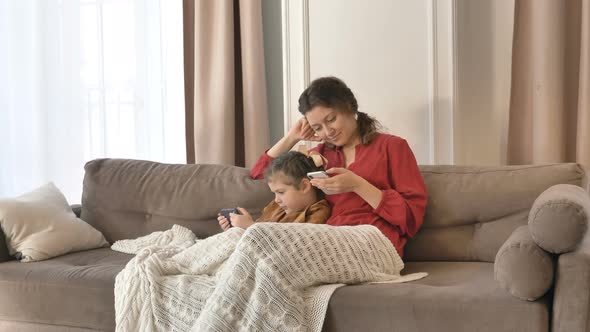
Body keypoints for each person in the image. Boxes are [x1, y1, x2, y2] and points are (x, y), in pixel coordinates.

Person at [250, 76, 427, 257]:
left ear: (350, 107)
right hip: (329, 240)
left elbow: (411, 218)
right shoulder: (320, 155)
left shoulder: (392, 147)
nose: (327, 132)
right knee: (241, 239)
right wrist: (292, 137)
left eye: (331, 119)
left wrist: (357, 185)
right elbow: (259, 175)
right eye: (317, 128)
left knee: (270, 254)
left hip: (376, 243)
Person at [218, 151, 331, 230]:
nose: (277, 200)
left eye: (281, 192)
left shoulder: (318, 213)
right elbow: (257, 235)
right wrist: (237, 228)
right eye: (275, 193)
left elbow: (292, 244)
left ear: (304, 186)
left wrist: (251, 227)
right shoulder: (277, 207)